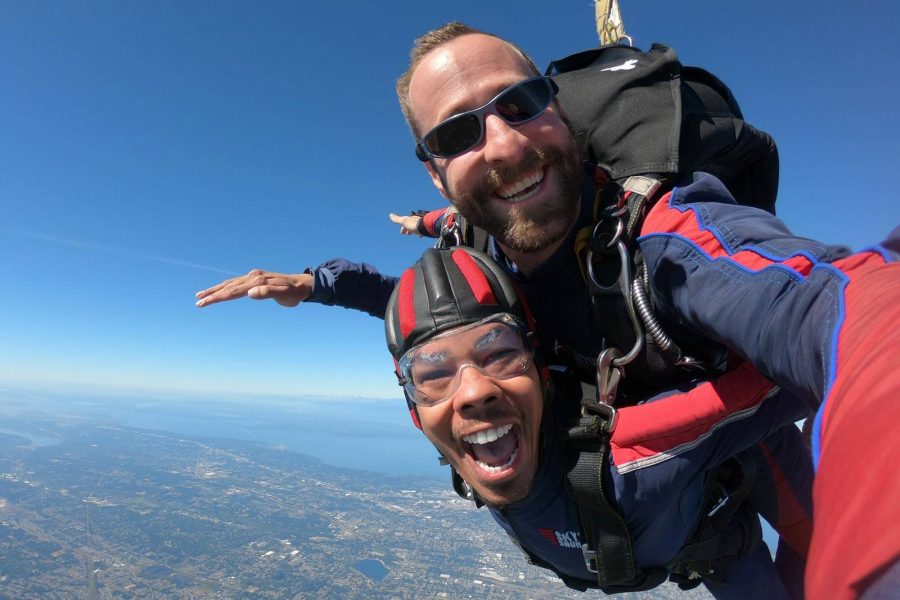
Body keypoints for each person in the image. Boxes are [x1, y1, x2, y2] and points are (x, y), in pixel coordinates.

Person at [195, 22, 899, 597]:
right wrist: (315, 282)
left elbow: (836, 305)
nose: (503, 144)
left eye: (520, 103)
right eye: (455, 135)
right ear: (435, 169)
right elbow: (415, 308)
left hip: (738, 453)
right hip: (678, 523)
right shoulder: (477, 243)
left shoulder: (666, 240)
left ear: (559, 106)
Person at [383, 246, 809, 598]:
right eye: (433, 374)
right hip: (688, 544)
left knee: (832, 568)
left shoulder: (637, 449)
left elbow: (808, 364)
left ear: (541, 373)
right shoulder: (483, 453)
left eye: (499, 352)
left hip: (722, 533)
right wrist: (329, 284)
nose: (475, 391)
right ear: (415, 414)